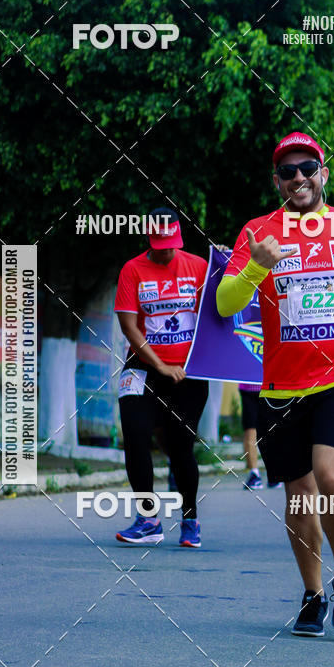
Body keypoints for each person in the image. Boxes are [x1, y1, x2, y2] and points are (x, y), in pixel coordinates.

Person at [217, 131, 334, 635]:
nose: (298, 177)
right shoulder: (258, 233)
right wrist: (259, 263)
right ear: (276, 180)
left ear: (324, 173)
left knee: (330, 476)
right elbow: (225, 304)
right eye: (287, 171)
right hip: (281, 385)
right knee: (299, 496)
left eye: (307, 168)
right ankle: (312, 594)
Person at [114, 207, 209, 548]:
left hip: (189, 375)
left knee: (181, 447)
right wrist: (160, 366)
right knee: (136, 434)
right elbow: (129, 326)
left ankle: (190, 517)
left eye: (172, 243)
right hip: (143, 367)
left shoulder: (199, 267)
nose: (166, 250)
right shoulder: (133, 270)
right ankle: (148, 517)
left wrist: (231, 265)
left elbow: (223, 312)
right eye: (160, 244)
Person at [239, 382, 282, 489]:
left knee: (271, 433)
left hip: (270, 388)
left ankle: (273, 474)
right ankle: (255, 474)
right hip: (249, 389)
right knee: (250, 432)